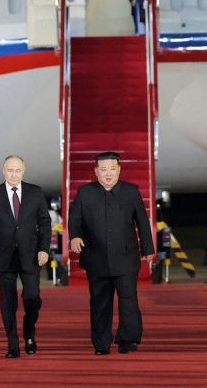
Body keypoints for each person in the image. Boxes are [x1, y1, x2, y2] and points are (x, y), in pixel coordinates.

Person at [68, 152, 155, 355]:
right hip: (96, 257)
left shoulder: (131, 192)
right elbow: (74, 219)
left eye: (112, 169)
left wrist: (148, 249)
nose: (108, 174)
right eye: (104, 169)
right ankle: (101, 343)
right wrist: (74, 237)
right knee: (99, 302)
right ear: (96, 171)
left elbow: (142, 221)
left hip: (125, 257)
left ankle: (128, 340)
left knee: (128, 300)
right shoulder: (85, 192)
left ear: (119, 170)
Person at [0, 155, 51, 358]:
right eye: (10, 171)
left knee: (32, 298)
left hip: (31, 255)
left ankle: (29, 332)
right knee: (8, 302)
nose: (14, 174)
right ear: (3, 171)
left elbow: (45, 223)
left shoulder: (35, 192)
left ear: (24, 170)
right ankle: (12, 344)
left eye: (17, 170)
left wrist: (44, 249)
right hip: (4, 256)